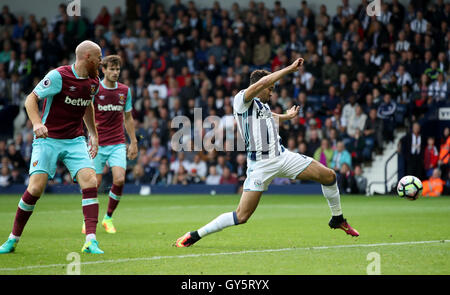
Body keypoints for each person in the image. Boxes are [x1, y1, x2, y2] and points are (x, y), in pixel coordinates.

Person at [175, 58, 359, 248]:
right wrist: (289, 69)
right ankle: (195, 234)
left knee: (329, 176)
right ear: (258, 86)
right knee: (242, 216)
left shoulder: (262, 105)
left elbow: (269, 115)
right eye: (270, 88)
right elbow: (263, 83)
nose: (271, 92)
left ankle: (337, 218)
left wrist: (286, 117)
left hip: (282, 156)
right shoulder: (241, 100)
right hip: (260, 165)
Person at [0, 41, 104, 254]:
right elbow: (31, 100)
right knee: (36, 188)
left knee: (90, 180)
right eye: (99, 57)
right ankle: (12, 239)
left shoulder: (94, 81)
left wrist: (93, 133)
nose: (101, 62)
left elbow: (87, 105)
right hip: (48, 138)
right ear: (87, 57)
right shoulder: (58, 76)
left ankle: (91, 240)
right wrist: (37, 123)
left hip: (74, 140)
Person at [81, 55, 138, 235]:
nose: (115, 72)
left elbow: (128, 118)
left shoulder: (124, 91)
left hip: (117, 142)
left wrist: (133, 142)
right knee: (94, 183)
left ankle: (108, 218)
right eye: (111, 69)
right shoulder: (95, 89)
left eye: (117, 69)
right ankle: (88, 220)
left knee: (120, 178)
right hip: (97, 142)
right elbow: (85, 111)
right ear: (103, 70)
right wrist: (90, 133)